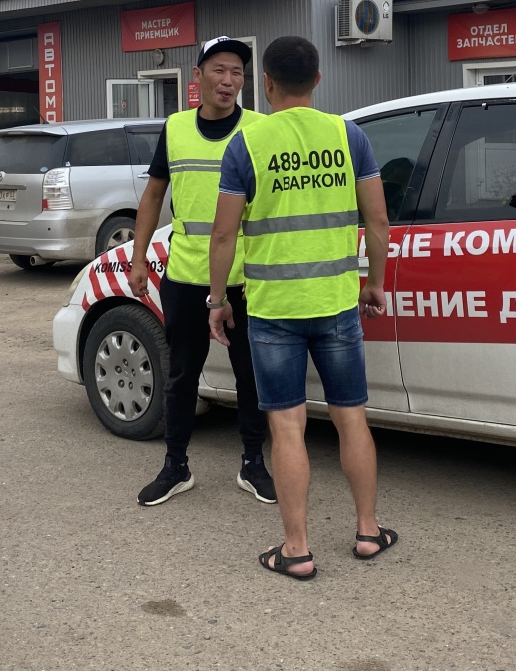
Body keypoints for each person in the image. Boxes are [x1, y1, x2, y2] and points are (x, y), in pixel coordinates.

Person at [207, 35, 395, 580]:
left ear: (265, 83)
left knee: (287, 427)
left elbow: (223, 235)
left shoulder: (245, 144)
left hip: (273, 309)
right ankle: (367, 532)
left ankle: (296, 549)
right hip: (337, 302)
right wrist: (375, 282)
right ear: (317, 81)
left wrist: (217, 300)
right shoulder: (348, 136)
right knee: (350, 418)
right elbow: (378, 221)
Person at [129, 36, 275, 508]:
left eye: (237, 72)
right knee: (181, 377)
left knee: (251, 376)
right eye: (219, 70)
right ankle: (176, 466)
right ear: (197, 76)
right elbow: (153, 197)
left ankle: (254, 463)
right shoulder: (174, 128)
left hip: (247, 279)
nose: (229, 80)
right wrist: (137, 258)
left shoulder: (260, 128)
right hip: (186, 276)